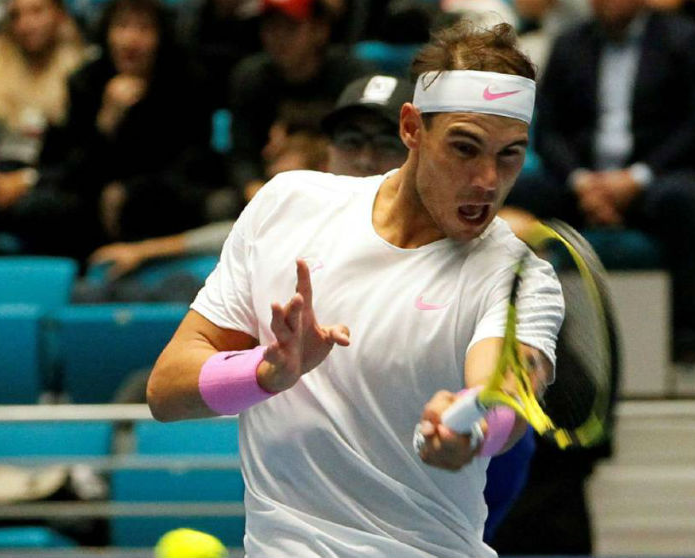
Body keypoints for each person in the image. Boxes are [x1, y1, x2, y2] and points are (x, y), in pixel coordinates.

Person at [146, 21, 564, 558]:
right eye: (465, 148)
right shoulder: (286, 205)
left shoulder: (519, 277)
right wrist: (265, 372)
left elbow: (503, 392)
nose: (487, 179)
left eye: (509, 154)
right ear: (412, 128)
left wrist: (472, 425)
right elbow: (165, 389)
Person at [508, 0, 695, 363]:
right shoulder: (569, 44)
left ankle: (691, 337)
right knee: (511, 192)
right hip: (583, 183)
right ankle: (515, 338)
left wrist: (635, 180)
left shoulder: (688, 40)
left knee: (686, 199)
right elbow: (549, 131)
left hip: (657, 179)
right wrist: (581, 181)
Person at [87, 74, 412, 280]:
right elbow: (231, 233)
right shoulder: (300, 206)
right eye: (351, 142)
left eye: (386, 144)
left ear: (418, 152)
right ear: (329, 152)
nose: (366, 158)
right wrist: (143, 251)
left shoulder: (435, 235)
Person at [36, 0, 221, 259]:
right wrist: (106, 120)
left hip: (162, 193)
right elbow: (70, 169)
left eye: (144, 29)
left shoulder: (187, 80)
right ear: (107, 33)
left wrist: (128, 191)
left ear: (160, 37)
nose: (131, 40)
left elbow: (193, 162)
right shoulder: (85, 82)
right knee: (49, 207)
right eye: (122, 27)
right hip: (93, 195)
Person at [0, 0, 86, 255]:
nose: (26, 24)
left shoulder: (82, 75)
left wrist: (25, 181)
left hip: (45, 182)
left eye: (37, 12)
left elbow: (82, 161)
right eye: (16, 15)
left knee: (49, 206)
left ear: (59, 16)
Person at [228, 0, 371, 202]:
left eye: (290, 27)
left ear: (320, 30)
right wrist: (256, 192)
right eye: (270, 26)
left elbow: (365, 150)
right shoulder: (250, 79)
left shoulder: (352, 78)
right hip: (269, 189)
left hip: (337, 187)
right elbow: (242, 155)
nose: (277, 37)